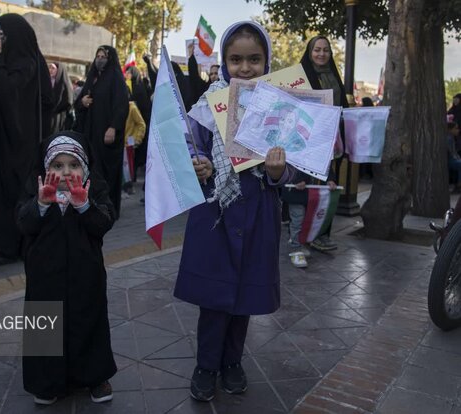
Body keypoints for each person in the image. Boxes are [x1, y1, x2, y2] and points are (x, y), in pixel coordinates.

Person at [174, 21, 294, 402]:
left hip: (258, 211)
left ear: (267, 61)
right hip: (216, 214)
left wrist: (277, 172)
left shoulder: (279, 105)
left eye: (254, 59)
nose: (245, 67)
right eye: (236, 59)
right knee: (215, 297)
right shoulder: (210, 105)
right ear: (224, 61)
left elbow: (290, 164)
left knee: (243, 296)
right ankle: (206, 365)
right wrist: (200, 165)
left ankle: (232, 362)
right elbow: (191, 150)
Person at [17, 131, 116, 405]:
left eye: (73, 164)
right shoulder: (36, 190)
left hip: (86, 273)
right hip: (45, 275)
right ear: (46, 168)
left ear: (84, 165)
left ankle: (95, 377)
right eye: (57, 166)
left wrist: (84, 205)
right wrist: (40, 203)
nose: (65, 172)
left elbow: (104, 223)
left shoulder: (93, 188)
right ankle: (46, 381)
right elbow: (24, 224)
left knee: (88, 319)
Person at [0, 14, 52, 267]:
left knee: (9, 193)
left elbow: (8, 96)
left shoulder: (27, 64)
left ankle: (8, 246)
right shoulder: (9, 62)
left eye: (1, 36)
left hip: (17, 146)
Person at [297, 35, 347, 253]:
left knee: (329, 184)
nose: (321, 54)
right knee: (304, 185)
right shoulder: (301, 76)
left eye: (325, 50)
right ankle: (300, 234)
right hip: (305, 139)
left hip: (329, 140)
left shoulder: (334, 76)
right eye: (317, 50)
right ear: (310, 52)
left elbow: (342, 106)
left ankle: (322, 234)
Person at [74, 45, 128, 219]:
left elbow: (121, 106)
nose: (99, 59)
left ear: (110, 58)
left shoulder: (116, 78)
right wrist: (82, 102)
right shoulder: (92, 77)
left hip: (106, 134)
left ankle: (108, 209)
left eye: (103, 56)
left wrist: (113, 127)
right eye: (97, 56)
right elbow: (79, 104)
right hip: (90, 134)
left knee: (106, 173)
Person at [47, 62, 73, 135]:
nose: (50, 70)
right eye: (49, 68)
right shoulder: (47, 82)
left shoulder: (65, 83)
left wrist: (56, 108)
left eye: (53, 68)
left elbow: (68, 101)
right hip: (48, 115)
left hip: (60, 116)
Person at [447, 121, 461, 193]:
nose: (458, 130)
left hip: (452, 159)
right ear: (450, 129)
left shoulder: (451, 138)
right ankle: (459, 185)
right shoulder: (448, 139)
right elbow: (451, 153)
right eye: (456, 128)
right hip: (449, 160)